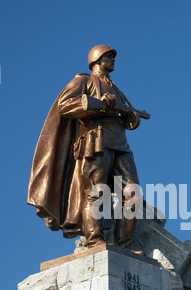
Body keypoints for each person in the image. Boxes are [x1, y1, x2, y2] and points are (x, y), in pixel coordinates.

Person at [27, 45, 148, 251]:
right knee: (95, 192)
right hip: (95, 141)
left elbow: (131, 122)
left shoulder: (117, 89)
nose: (113, 60)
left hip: (121, 145)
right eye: (108, 56)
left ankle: (125, 245)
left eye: (112, 56)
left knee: (133, 192)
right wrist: (99, 103)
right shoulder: (83, 80)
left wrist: (130, 114)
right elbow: (64, 105)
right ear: (97, 58)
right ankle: (94, 240)